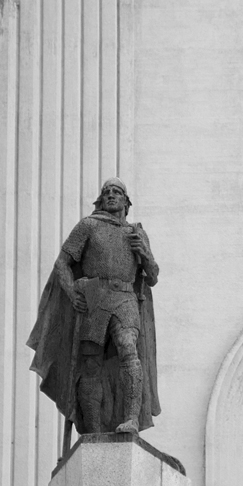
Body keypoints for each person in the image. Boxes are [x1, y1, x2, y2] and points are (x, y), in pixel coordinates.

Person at [28, 177, 161, 435]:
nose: (111, 195)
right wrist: (71, 292)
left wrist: (144, 253)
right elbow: (61, 264)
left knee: (128, 349)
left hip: (125, 298)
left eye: (117, 192)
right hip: (95, 299)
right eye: (107, 192)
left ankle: (131, 420)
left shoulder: (136, 232)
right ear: (101, 200)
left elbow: (152, 277)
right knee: (90, 364)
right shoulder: (89, 226)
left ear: (126, 201)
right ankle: (94, 429)